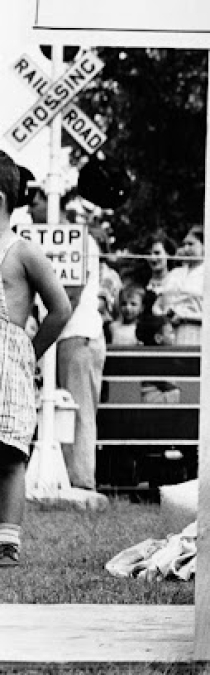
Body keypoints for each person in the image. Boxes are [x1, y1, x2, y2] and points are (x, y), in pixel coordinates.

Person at [0, 153, 72, 567]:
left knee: (9, 453)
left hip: (8, 365)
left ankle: (7, 542)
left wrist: (31, 349)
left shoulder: (21, 251)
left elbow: (59, 308)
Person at [28, 186, 107, 492]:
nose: (30, 210)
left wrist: (41, 339)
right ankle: (62, 480)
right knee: (59, 410)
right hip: (60, 339)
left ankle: (82, 482)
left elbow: (69, 297)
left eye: (35, 202)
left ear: (53, 203)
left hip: (78, 335)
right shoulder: (38, 243)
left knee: (79, 410)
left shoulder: (81, 241)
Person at [158, 226, 204, 346]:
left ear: (204, 246)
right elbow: (158, 305)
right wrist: (165, 315)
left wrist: (185, 317)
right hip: (171, 333)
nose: (186, 249)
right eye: (184, 245)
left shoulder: (209, 274)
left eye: (191, 244)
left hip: (197, 333)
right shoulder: (174, 274)